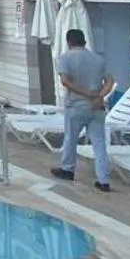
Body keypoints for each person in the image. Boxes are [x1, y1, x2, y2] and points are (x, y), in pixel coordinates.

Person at [51, 25, 111, 191]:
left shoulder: (65, 58)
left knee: (71, 138)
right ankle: (103, 180)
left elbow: (65, 81)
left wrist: (85, 93)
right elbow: (110, 82)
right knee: (99, 144)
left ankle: (68, 169)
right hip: (96, 108)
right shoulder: (98, 59)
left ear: (69, 42)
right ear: (84, 42)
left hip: (76, 106)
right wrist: (98, 96)